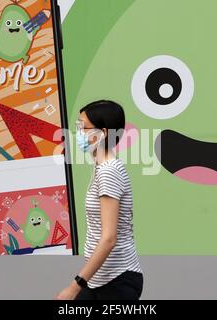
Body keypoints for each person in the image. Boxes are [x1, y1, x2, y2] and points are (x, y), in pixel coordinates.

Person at [56, 100, 143, 300]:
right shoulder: (100, 167)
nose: (78, 133)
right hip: (97, 280)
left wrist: (74, 286)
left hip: (117, 281)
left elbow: (109, 238)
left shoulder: (109, 172)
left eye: (82, 127)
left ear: (102, 132)